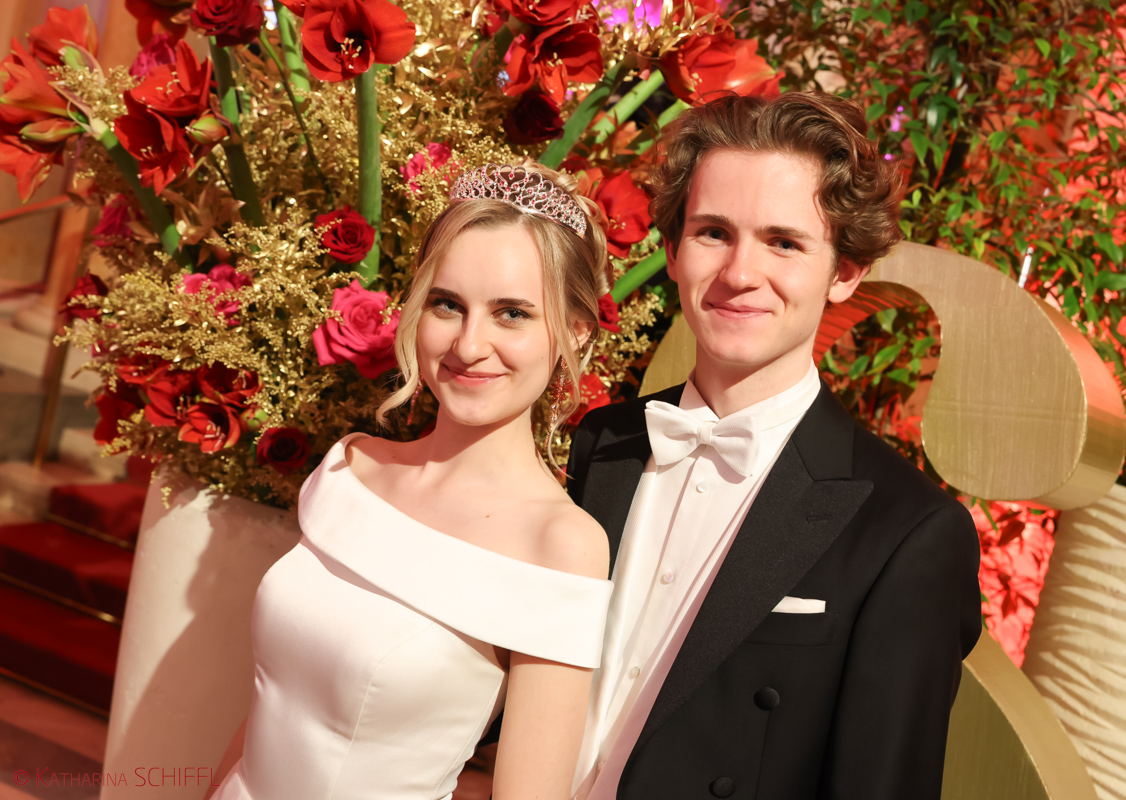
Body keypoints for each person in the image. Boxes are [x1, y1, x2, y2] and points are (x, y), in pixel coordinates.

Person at [566, 93, 983, 800]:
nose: (739, 274)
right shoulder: (602, 444)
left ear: (845, 271)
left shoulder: (909, 534)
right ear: (671, 251)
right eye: (713, 233)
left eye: (784, 243)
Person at [205, 162, 614, 800]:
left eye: (512, 314)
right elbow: (266, 710)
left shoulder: (560, 545)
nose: (469, 345)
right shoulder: (351, 469)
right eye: (448, 305)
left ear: (574, 333)